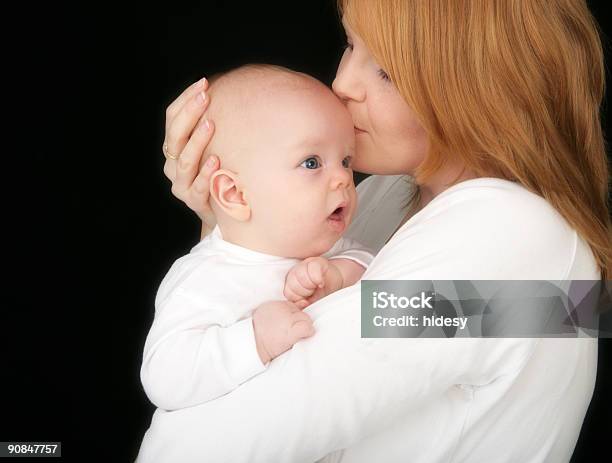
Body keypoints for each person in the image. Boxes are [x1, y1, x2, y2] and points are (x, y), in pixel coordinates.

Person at [139, 0, 611, 461]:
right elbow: (223, 375)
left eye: (385, 70)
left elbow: (210, 442)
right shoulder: (385, 195)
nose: (342, 83)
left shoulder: (514, 239)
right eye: (349, 44)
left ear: (480, 87)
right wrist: (232, 223)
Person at [141, 64, 375, 411]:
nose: (344, 83)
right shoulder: (370, 202)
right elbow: (167, 374)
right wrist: (253, 340)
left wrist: (344, 275)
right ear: (234, 193)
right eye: (312, 162)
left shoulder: (476, 226)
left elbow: (469, 317)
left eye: (385, 73)